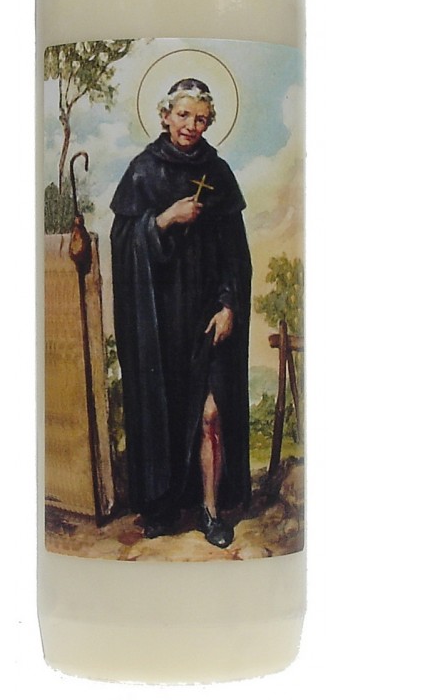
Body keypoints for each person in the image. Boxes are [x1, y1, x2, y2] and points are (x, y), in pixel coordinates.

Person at [110, 78, 252, 548]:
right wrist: (164, 220)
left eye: (202, 118)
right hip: (160, 320)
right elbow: (123, 242)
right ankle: (164, 505)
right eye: (184, 115)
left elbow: (236, 254)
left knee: (211, 414)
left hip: (207, 318)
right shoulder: (142, 171)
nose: (192, 125)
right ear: (165, 116)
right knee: (165, 411)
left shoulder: (219, 173)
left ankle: (211, 510)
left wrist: (229, 305)